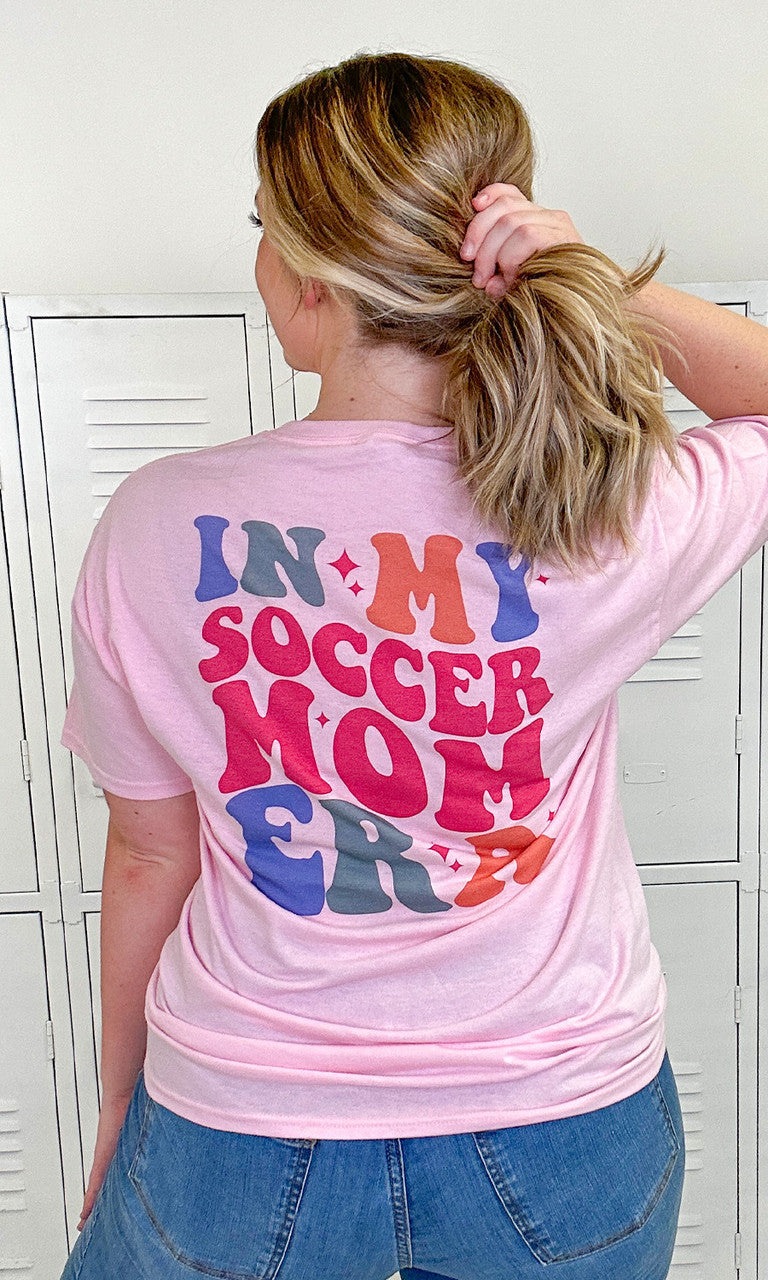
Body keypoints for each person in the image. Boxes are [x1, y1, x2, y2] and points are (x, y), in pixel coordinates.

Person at [58, 49, 768, 1280]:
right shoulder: (607, 509)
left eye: (264, 228)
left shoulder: (155, 522)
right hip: (562, 1124)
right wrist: (602, 285)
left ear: (313, 276)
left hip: (243, 1121)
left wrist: (123, 1095)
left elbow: (148, 852)